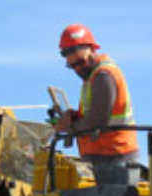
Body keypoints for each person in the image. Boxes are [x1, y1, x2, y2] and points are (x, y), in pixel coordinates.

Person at [55, 24, 139, 186]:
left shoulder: (104, 76)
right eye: (72, 66)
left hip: (116, 158)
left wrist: (69, 128)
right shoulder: (92, 77)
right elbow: (94, 115)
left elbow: (97, 120)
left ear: (91, 49)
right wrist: (74, 116)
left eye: (80, 62)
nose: (78, 69)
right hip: (109, 159)